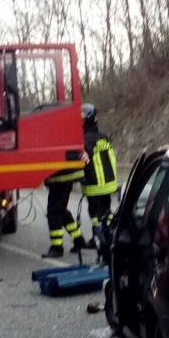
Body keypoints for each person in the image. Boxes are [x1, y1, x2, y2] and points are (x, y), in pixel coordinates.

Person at [79, 103, 119, 250]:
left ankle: (98, 238)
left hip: (94, 184)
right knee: (106, 211)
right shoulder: (104, 137)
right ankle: (110, 236)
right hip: (109, 184)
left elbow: (84, 160)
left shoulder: (85, 139)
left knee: (94, 214)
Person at [42, 152, 87, 259]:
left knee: (54, 213)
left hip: (61, 175)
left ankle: (57, 248)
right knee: (60, 210)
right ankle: (78, 239)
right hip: (66, 173)